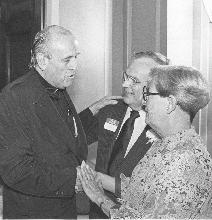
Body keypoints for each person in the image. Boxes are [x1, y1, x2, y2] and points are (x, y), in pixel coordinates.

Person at [0, 25, 118, 219]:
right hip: (34, 213)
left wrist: (91, 112)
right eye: (66, 60)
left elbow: (58, 138)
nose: (74, 66)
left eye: (76, 57)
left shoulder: (56, 85)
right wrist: (74, 179)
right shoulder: (14, 97)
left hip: (62, 210)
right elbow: (16, 171)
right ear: (42, 60)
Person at [79, 65, 212, 219]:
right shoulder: (164, 145)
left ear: (170, 103)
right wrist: (97, 182)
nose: (143, 101)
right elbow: (141, 190)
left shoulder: (183, 161)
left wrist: (100, 199)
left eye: (148, 94)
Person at [79, 51, 169, 218]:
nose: (126, 85)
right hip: (98, 212)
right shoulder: (111, 110)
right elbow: (70, 138)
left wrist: (101, 181)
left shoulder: (164, 126)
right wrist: (90, 112)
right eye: (125, 76)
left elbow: (156, 189)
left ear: (155, 86)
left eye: (134, 81)